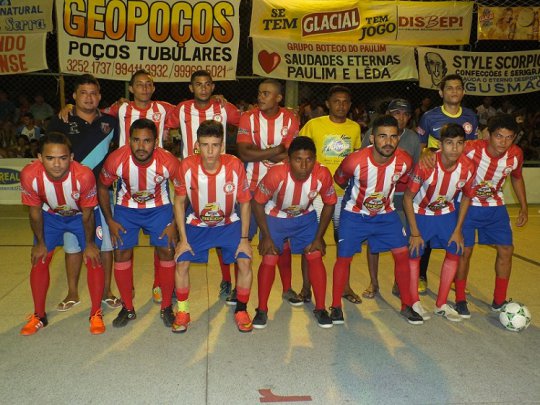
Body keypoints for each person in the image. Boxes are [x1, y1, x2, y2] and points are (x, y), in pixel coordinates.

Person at [330, 115, 422, 325]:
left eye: (393, 137)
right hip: (354, 215)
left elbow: (404, 181)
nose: (388, 142)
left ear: (398, 138)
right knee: (343, 258)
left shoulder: (405, 161)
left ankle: (406, 305)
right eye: (382, 136)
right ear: (372, 138)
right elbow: (340, 179)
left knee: (402, 254)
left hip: (385, 215)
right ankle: (335, 306)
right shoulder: (354, 160)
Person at [19, 133, 105, 335]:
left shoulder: (84, 175)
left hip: (81, 217)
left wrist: (90, 244)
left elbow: (88, 214)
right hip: (51, 216)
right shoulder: (29, 175)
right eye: (50, 158)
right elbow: (34, 212)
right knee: (39, 259)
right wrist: (40, 243)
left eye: (63, 158)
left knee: (94, 258)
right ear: (40, 157)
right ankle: (39, 316)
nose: (57, 164)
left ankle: (96, 313)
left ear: (71, 157)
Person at [166, 70, 242, 300]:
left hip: (221, 180)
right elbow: (158, 121)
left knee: (222, 230)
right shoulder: (181, 109)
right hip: (191, 182)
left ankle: (228, 281)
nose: (203, 88)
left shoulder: (223, 107)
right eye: (198, 84)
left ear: (213, 87)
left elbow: (247, 120)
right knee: (179, 232)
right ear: (191, 88)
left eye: (207, 84)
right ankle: (171, 285)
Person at [97, 118, 180, 328]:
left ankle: (166, 307)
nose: (141, 146)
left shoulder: (168, 161)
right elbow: (102, 187)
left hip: (159, 208)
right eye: (136, 140)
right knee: (121, 253)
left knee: (167, 251)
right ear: (129, 140)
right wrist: (110, 220)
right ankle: (127, 307)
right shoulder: (116, 159)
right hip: (127, 210)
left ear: (156, 142)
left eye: (147, 141)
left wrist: (174, 224)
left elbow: (183, 193)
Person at [172, 120, 253, 333]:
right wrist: (183, 239)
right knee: (181, 261)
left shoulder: (234, 165)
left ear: (222, 145)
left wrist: (244, 240)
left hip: (228, 224)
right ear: (197, 145)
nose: (210, 151)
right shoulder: (186, 166)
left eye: (215, 145)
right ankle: (183, 311)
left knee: (245, 260)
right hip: (197, 224)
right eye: (205, 145)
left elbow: (245, 203)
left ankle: (241, 310)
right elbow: (179, 203)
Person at [47, 74, 119, 311]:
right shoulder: (61, 120)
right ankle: (72, 293)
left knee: (106, 246)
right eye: (83, 93)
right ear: (74, 96)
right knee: (72, 247)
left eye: (93, 93)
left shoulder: (111, 122)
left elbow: (120, 151)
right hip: (71, 197)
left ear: (99, 96)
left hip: (102, 193)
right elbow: (51, 155)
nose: (89, 98)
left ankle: (107, 291)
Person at [104, 69, 175, 304]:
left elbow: (192, 109)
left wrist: (216, 100)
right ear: (131, 88)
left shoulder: (164, 108)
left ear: (153, 88)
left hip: (157, 176)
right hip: (126, 176)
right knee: (124, 247)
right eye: (139, 84)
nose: (144, 88)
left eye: (148, 84)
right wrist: (69, 109)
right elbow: (93, 111)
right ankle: (128, 293)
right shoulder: (120, 108)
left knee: (163, 242)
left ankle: (159, 285)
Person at [251, 136, 337, 329]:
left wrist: (319, 237)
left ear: (315, 159)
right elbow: (257, 202)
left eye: (309, 160)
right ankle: (262, 309)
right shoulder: (276, 173)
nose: (304, 166)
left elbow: (330, 204)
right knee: (270, 257)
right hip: (276, 216)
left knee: (315, 254)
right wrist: (265, 236)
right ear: (288, 160)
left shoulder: (322, 174)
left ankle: (321, 308)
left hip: (304, 217)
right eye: (298, 159)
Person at [453, 114, 527, 318]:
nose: (504, 142)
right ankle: (460, 298)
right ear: (489, 135)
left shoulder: (516, 154)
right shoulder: (471, 148)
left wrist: (523, 206)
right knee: (465, 251)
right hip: (467, 205)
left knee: (506, 249)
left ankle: (499, 300)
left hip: (495, 207)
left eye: (509, 137)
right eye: (499, 136)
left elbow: (517, 177)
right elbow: (446, 154)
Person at [236, 79, 300, 306]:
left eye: (266, 93)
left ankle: (287, 288)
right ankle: (237, 288)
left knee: (282, 243)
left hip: (281, 190)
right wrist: (276, 150)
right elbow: (244, 153)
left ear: (278, 98)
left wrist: (259, 151)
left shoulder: (290, 119)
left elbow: (291, 155)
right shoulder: (248, 117)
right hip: (251, 189)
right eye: (259, 93)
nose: (260, 97)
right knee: (242, 240)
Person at [403, 123, 475, 322]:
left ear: (464, 145)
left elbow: (467, 197)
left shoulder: (468, 167)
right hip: (421, 213)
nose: (455, 148)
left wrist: (458, 229)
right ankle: (414, 302)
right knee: (414, 253)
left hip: (446, 213)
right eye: (449, 143)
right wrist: (415, 232)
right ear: (440, 145)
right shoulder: (427, 164)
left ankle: (441, 304)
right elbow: (407, 198)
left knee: (455, 250)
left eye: (459, 143)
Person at [415, 74, 478, 293]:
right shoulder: (429, 117)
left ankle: (454, 279)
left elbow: (472, 149)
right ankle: (421, 275)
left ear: (463, 91)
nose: (454, 91)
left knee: (458, 229)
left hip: (460, 180)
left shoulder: (471, 116)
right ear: (441, 92)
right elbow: (421, 147)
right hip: (436, 181)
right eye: (449, 88)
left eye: (458, 88)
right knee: (428, 230)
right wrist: (425, 153)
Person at [299, 85, 362, 304]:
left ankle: (345, 286)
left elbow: (356, 160)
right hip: (317, 194)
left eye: (345, 102)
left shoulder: (355, 128)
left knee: (344, 241)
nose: (341, 105)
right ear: (328, 103)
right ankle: (306, 288)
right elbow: (299, 153)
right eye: (336, 101)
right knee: (311, 240)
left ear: (350, 105)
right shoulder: (313, 125)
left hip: (344, 194)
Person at [360, 98, 421, 299]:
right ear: (388, 114)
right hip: (377, 196)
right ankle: (374, 283)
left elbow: (417, 170)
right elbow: (362, 162)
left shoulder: (413, 139)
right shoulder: (372, 133)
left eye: (405, 114)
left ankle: (398, 282)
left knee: (402, 242)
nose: (401, 118)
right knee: (373, 241)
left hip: (402, 198)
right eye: (396, 113)